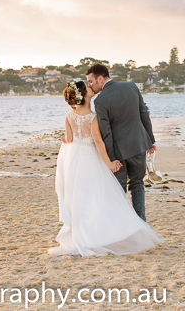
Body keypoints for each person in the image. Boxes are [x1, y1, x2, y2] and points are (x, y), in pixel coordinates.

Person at [48, 80, 164, 257]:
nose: (90, 86)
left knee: (80, 198)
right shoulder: (92, 117)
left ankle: (81, 233)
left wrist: (63, 139)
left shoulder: (69, 116)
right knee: (98, 195)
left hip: (73, 160)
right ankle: (107, 232)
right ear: (84, 95)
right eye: (87, 87)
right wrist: (109, 163)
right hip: (90, 159)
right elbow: (99, 142)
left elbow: (69, 139)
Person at [86, 63, 155, 221]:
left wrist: (110, 159)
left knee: (119, 190)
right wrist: (150, 140)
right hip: (138, 145)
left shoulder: (101, 100)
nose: (89, 85)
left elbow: (106, 131)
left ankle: (122, 227)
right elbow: (144, 113)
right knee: (138, 185)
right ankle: (141, 224)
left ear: (100, 78)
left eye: (91, 81)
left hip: (119, 152)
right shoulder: (131, 86)